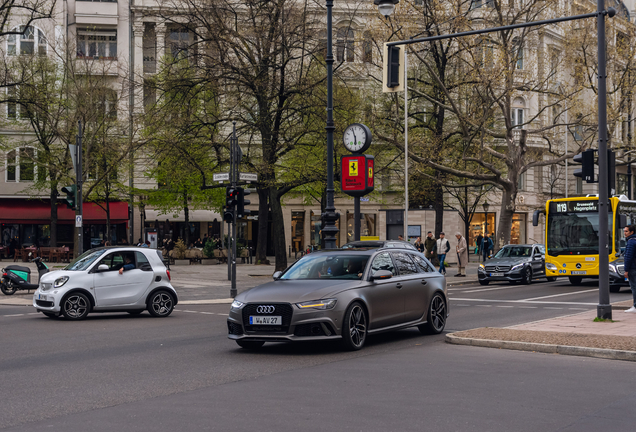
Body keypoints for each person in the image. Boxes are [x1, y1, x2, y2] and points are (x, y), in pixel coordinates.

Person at [623, 225, 636, 313]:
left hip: (633, 268)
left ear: (632, 232)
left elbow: (628, 257)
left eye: (626, 231)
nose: (624, 233)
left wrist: (626, 270)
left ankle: (635, 306)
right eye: (624, 231)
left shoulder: (631, 242)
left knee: (634, 287)